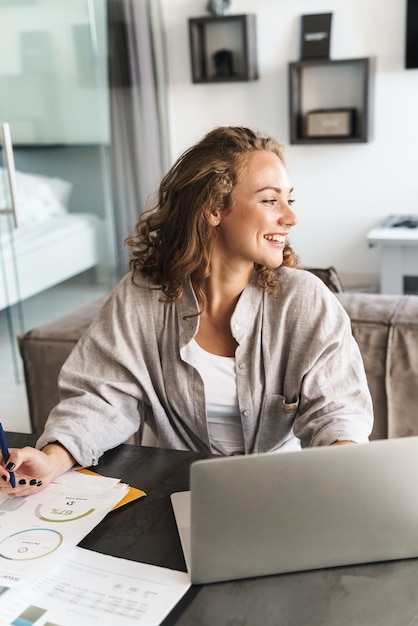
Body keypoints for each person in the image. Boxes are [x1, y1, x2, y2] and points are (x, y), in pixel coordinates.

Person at [0, 126, 373, 496]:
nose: (290, 218)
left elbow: (338, 415)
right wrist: (51, 458)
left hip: (283, 493)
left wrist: (338, 481)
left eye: (289, 200)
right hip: (176, 494)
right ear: (213, 208)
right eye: (270, 200)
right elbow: (101, 399)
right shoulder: (141, 298)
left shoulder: (305, 301)